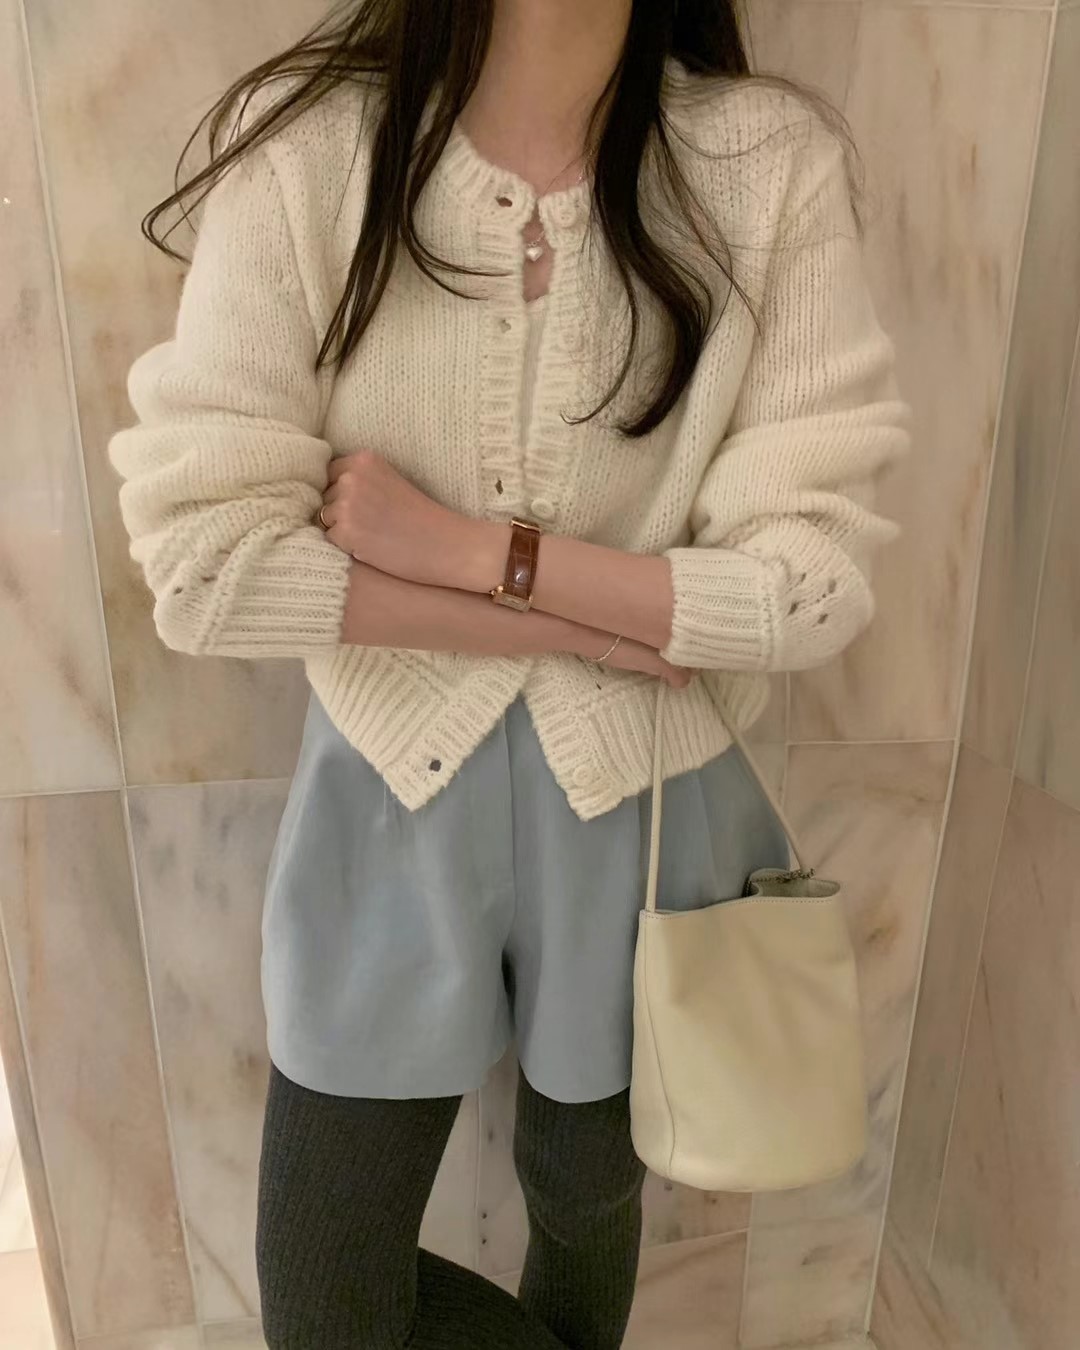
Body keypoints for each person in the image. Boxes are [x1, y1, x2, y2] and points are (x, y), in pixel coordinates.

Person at [109, 1, 909, 1346]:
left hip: (647, 812)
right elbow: (201, 568)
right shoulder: (311, 153)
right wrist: (586, 628)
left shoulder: (764, 164)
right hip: (388, 784)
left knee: (586, 1206)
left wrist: (477, 554)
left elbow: (807, 581)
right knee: (326, 1287)